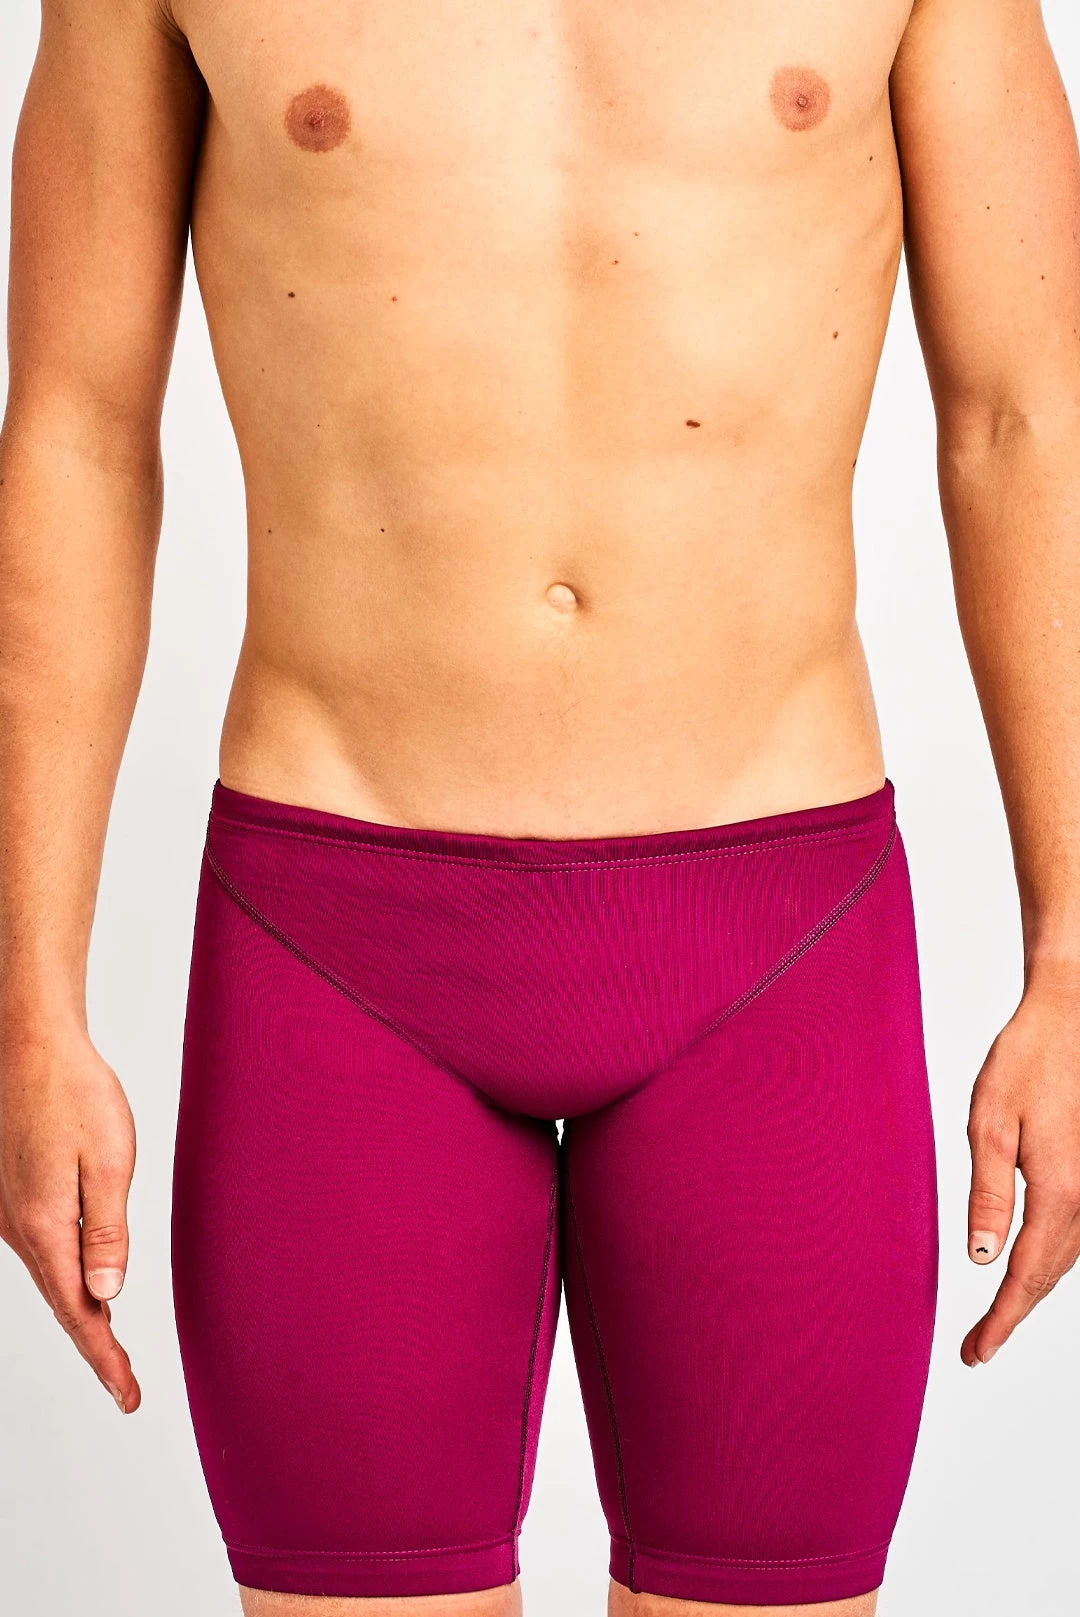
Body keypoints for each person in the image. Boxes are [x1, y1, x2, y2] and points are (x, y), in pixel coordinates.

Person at [2, 0, 1080, 1612]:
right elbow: (78, 431)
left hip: (773, 941)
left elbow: (1025, 421)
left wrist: (1075, 956)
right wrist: (28, 999)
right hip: (339, 940)